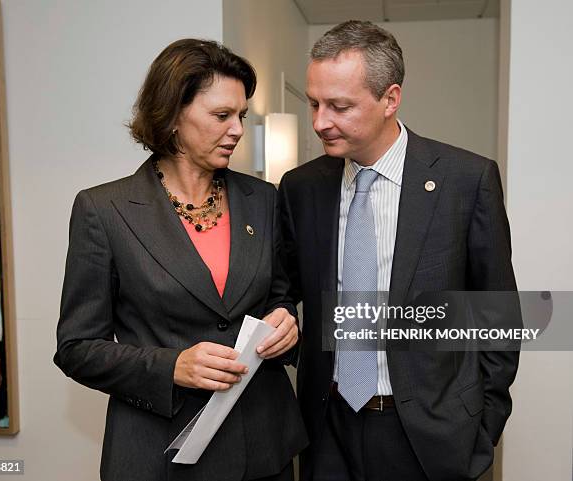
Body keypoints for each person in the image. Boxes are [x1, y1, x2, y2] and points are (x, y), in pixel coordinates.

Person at [54, 39, 307, 481]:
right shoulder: (104, 210)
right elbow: (77, 349)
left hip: (263, 450)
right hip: (160, 456)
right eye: (221, 115)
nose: (237, 130)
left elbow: (280, 299)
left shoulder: (264, 200)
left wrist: (287, 323)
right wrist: (173, 367)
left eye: (241, 116)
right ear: (172, 116)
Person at [278, 21, 519, 481]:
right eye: (314, 103)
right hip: (327, 429)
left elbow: (498, 316)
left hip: (429, 436)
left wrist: (481, 426)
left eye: (339, 106)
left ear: (390, 99)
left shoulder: (465, 181)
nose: (319, 121)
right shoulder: (301, 188)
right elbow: (282, 289)